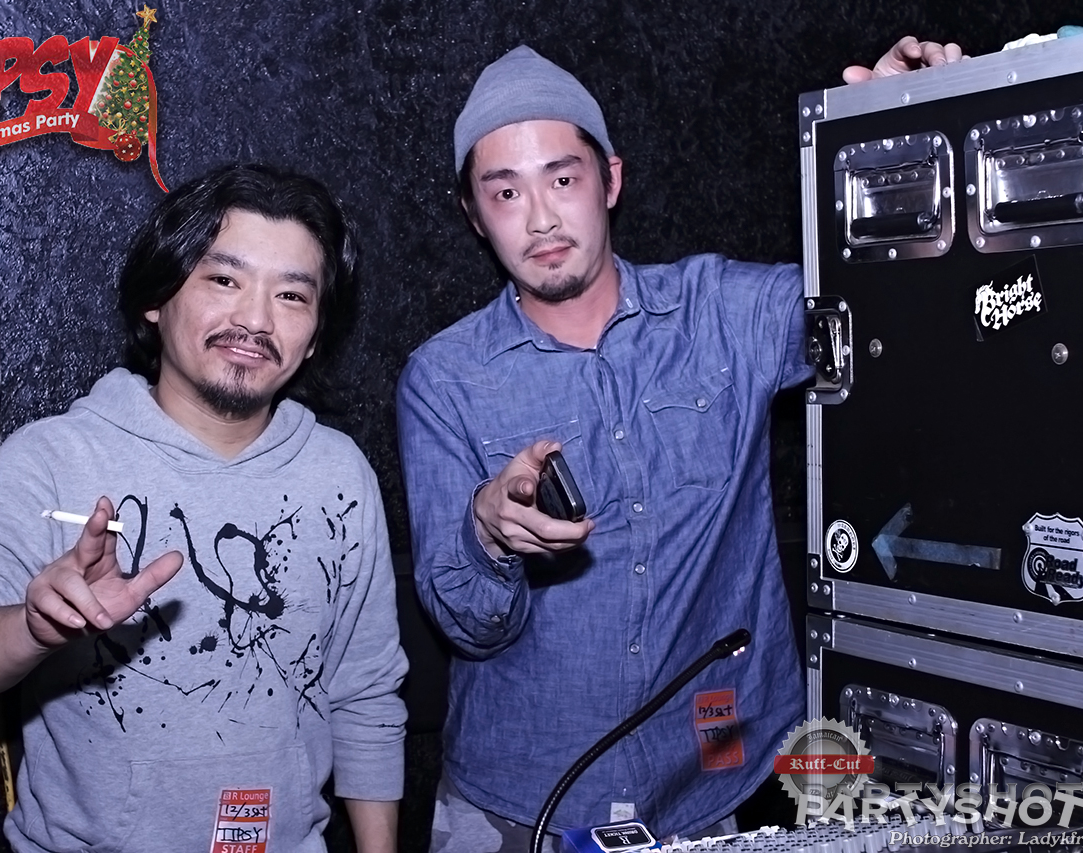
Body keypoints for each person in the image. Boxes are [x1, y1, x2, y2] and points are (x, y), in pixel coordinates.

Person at [397, 38, 962, 849]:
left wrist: (903, 135)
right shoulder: (444, 377)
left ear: (610, 179)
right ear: (473, 214)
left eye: (563, 179)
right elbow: (468, 626)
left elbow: (891, 303)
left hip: (707, 783)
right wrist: (487, 532)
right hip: (519, 804)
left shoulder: (721, 311)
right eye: (506, 192)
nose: (541, 217)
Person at [0, 165, 407, 853]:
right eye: (223, 279)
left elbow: (366, 693)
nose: (255, 319)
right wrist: (33, 627)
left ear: (316, 333)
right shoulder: (54, 458)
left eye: (292, 294)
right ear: (156, 298)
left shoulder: (340, 472)